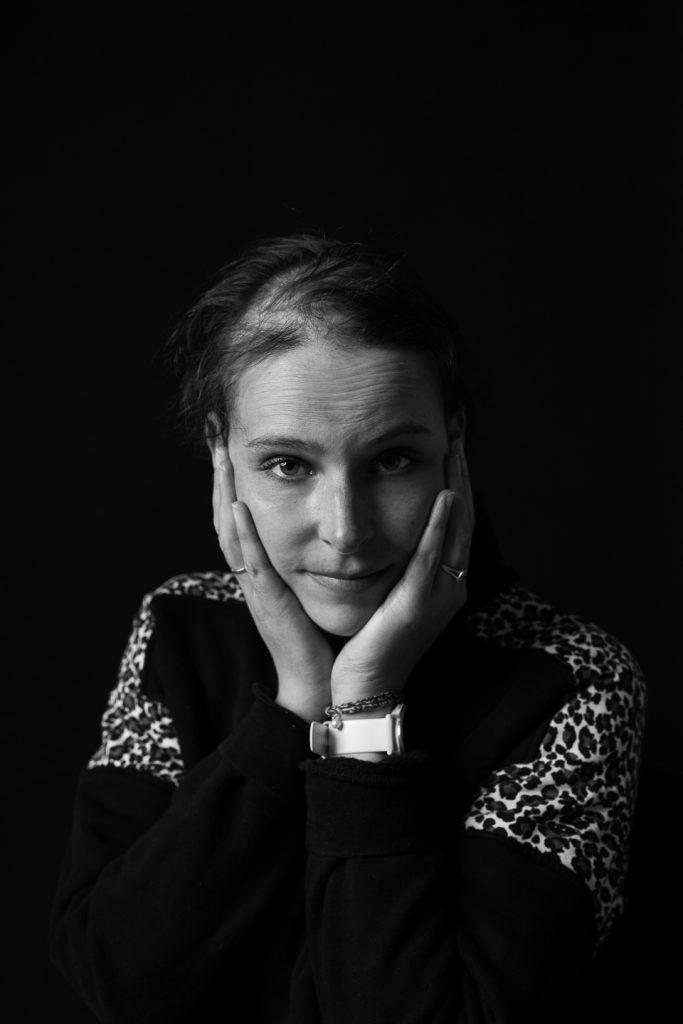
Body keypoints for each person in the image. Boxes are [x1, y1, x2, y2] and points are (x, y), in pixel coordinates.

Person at [49, 234, 647, 1023]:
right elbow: (118, 980)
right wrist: (295, 705)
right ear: (221, 457)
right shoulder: (181, 627)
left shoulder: (573, 680)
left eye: (392, 460)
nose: (345, 530)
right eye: (288, 465)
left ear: (453, 448)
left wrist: (363, 708)